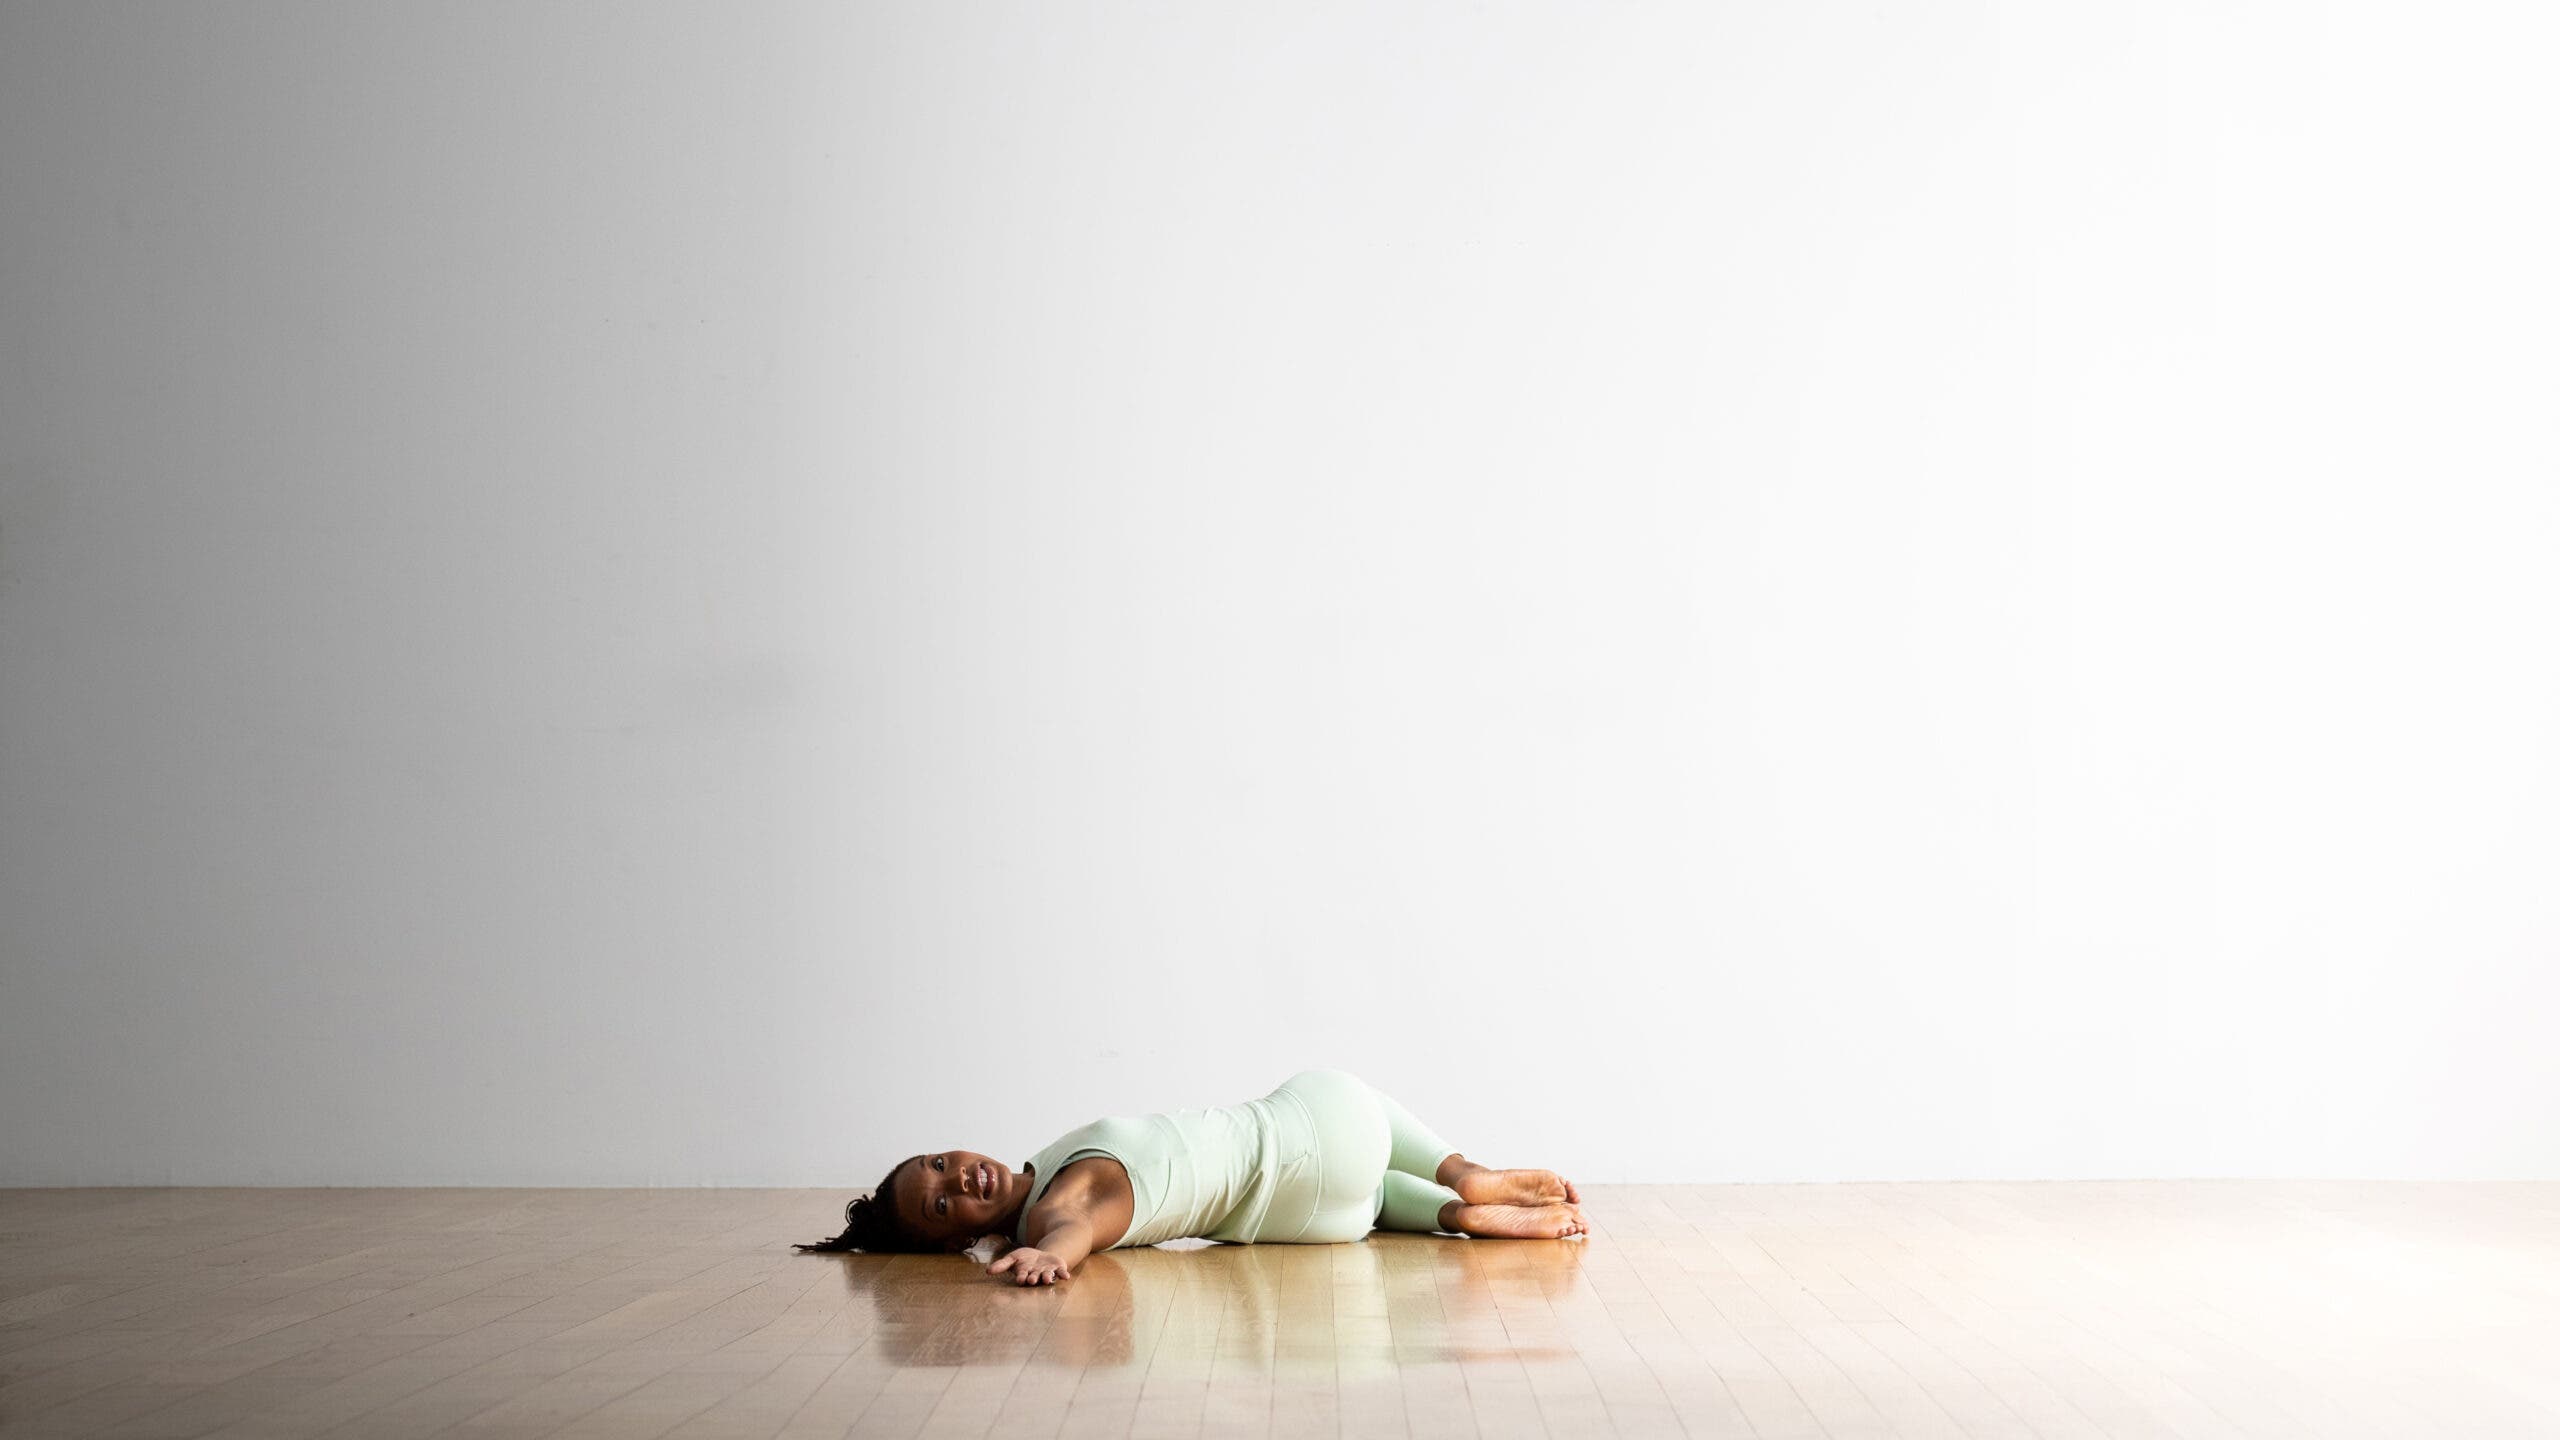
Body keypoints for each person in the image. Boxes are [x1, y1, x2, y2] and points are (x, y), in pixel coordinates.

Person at [792, 1067, 1590, 1285]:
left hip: (1314, 1222)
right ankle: (1468, 1176)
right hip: (1326, 1126)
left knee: (1374, 1196)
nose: (959, 1179)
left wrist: (1037, 1245)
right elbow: (1074, 1226)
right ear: (954, 1240)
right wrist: (1050, 1257)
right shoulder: (1057, 1203)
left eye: (941, 1163)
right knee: (1339, 1095)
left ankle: (1455, 1218)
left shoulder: (1044, 1172)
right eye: (941, 1204)